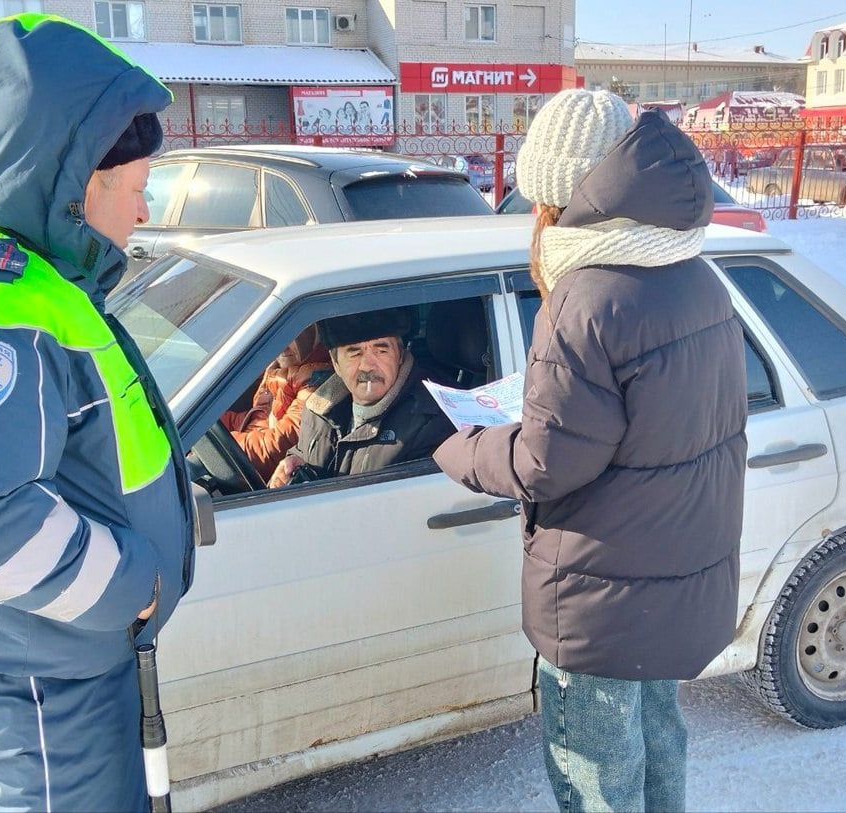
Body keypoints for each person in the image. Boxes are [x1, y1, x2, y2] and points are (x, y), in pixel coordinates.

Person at [0, 14, 195, 811]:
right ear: (79, 178)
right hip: (40, 679)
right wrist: (131, 583)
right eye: (137, 187)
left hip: (59, 658)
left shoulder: (33, 285)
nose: (145, 210)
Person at [433, 89, 748, 812]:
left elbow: (548, 461)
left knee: (598, 782)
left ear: (560, 195)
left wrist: (462, 449)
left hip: (600, 599)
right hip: (667, 584)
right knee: (659, 748)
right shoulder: (694, 275)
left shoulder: (587, 298)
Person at [268, 307, 453, 487]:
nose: (367, 366)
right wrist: (293, 461)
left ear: (400, 356)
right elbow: (306, 452)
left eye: (381, 351)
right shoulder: (319, 409)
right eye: (354, 353)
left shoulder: (430, 422)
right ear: (336, 363)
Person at [220, 324, 332, 481]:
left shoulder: (319, 378)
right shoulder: (276, 368)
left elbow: (278, 445)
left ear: (313, 332)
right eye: (275, 338)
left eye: (290, 336)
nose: (281, 346)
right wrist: (211, 427)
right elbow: (257, 418)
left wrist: (224, 445)